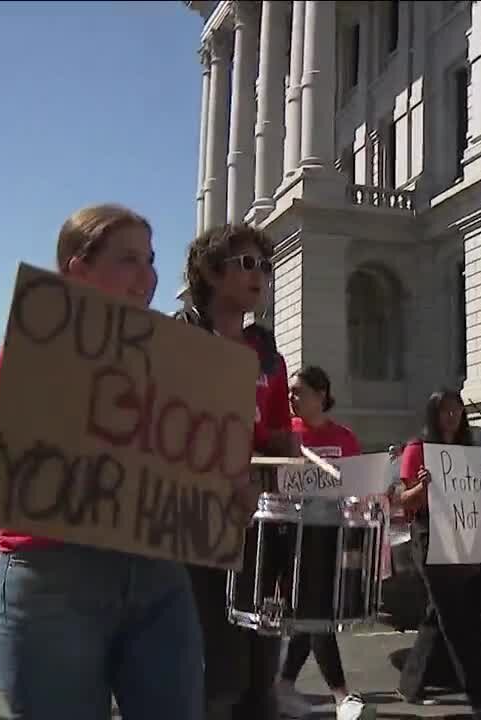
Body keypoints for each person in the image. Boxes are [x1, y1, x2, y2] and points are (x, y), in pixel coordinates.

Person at [0, 204, 204, 719]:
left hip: (159, 576)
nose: (149, 276)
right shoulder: (34, 355)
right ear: (78, 268)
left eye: (151, 258)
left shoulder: (174, 370)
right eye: (129, 259)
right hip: (54, 577)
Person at [176, 223, 299, 720]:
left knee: (258, 667)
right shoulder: (177, 337)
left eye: (266, 267)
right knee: (211, 672)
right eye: (248, 264)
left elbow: (275, 436)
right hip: (191, 526)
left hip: (255, 525)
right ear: (209, 271)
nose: (261, 277)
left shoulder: (268, 354)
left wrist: (285, 445)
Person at [394, 388, 481, 715]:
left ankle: (410, 684)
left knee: (438, 613)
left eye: (457, 410)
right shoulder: (418, 449)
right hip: (430, 535)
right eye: (445, 411)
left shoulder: (467, 450)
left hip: (462, 532)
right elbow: (405, 501)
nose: (452, 416)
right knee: (455, 617)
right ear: (434, 414)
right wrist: (423, 486)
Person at [276, 365, 375, 720]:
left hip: (331, 536)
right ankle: (341, 696)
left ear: (321, 395)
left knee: (311, 613)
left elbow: (359, 484)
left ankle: (284, 685)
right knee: (316, 613)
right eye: (290, 391)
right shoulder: (286, 434)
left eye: (299, 391)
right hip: (294, 536)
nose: (291, 397)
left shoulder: (344, 437)